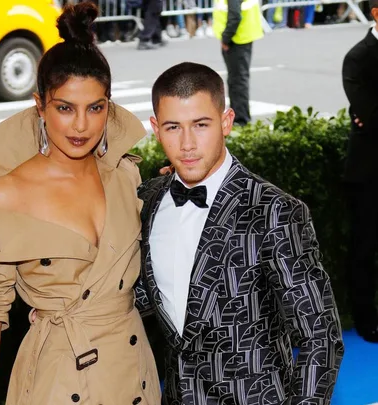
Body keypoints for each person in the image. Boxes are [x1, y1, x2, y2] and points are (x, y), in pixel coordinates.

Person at [0, 3, 161, 405]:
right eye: (65, 108)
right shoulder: (5, 194)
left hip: (134, 375)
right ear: (40, 105)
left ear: (110, 106)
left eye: (96, 108)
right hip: (57, 378)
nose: (81, 126)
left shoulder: (126, 177)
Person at [135, 62, 344, 404]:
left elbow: (320, 335)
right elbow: (141, 294)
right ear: (156, 128)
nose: (187, 144)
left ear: (226, 122)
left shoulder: (273, 210)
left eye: (200, 125)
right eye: (173, 127)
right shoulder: (148, 199)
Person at [341, 0, 378, 343]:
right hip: (369, 172)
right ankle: (366, 318)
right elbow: (370, 113)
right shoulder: (359, 56)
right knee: (365, 246)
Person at [212, 0, 264, 126]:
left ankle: (241, 119)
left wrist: (226, 37)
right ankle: (238, 116)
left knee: (237, 81)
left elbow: (235, 15)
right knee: (236, 79)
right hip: (242, 36)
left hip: (237, 39)